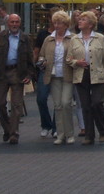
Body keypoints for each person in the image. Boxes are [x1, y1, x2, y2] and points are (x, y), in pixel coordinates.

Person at [0, 12, 35, 144]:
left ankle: (14, 133)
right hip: (2, 73)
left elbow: (30, 58)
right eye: (12, 22)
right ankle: (7, 129)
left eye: (17, 22)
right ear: (7, 23)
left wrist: (29, 75)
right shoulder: (0, 36)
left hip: (17, 72)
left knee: (16, 104)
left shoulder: (25, 38)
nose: (14, 24)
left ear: (20, 24)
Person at [67, 10, 104, 145]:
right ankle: (89, 135)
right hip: (81, 74)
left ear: (91, 24)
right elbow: (68, 59)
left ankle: (102, 131)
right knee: (85, 105)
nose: (80, 21)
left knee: (96, 103)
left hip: (97, 74)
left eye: (83, 20)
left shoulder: (99, 38)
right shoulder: (74, 39)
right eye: (79, 19)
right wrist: (76, 62)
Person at [40, 10, 75, 145]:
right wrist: (42, 60)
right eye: (55, 22)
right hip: (53, 75)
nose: (57, 25)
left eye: (59, 23)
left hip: (67, 75)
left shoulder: (72, 38)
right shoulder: (48, 39)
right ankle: (60, 134)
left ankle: (70, 133)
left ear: (66, 24)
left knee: (66, 103)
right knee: (58, 105)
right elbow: (42, 54)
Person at [32, 7, 59, 138]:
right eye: (53, 20)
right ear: (49, 20)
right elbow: (37, 51)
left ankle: (55, 126)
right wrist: (34, 65)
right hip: (45, 69)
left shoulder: (67, 36)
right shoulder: (43, 35)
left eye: (58, 20)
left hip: (60, 70)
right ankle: (46, 124)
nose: (55, 23)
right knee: (41, 98)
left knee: (58, 100)